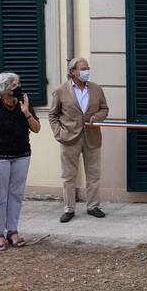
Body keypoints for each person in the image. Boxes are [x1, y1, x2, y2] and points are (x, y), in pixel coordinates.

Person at [0, 72, 41, 251]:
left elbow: (37, 129)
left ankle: (12, 231)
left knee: (16, 196)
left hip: (21, 155)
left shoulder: (24, 103)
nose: (18, 87)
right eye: (14, 85)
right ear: (3, 89)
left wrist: (26, 112)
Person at [49, 58, 109, 223]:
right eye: (83, 68)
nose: (87, 71)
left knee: (94, 175)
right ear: (73, 72)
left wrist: (98, 116)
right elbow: (53, 115)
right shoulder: (60, 90)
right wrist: (58, 133)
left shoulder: (96, 89)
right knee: (69, 176)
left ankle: (93, 206)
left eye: (88, 68)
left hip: (92, 137)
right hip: (69, 138)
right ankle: (69, 209)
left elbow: (105, 109)